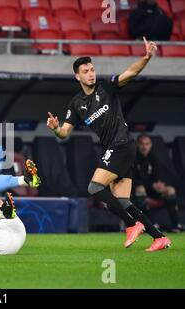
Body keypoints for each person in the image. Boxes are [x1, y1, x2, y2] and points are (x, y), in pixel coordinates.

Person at [46, 37, 171, 252]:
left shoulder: (107, 88)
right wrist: (55, 128)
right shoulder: (76, 104)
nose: (91, 73)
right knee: (123, 201)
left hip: (121, 144)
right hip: (115, 149)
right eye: (85, 71)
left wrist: (146, 58)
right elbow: (64, 133)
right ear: (77, 76)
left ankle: (133, 225)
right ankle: (159, 238)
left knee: (94, 187)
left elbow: (131, 73)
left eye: (92, 69)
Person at [133, 134, 182, 232]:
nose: (144, 147)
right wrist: (151, 185)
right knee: (140, 189)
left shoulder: (154, 157)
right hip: (137, 192)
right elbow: (133, 180)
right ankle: (151, 224)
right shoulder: (132, 158)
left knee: (170, 190)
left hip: (153, 190)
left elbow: (158, 176)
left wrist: (160, 184)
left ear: (150, 145)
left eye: (147, 144)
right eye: (142, 144)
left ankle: (176, 225)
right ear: (137, 145)